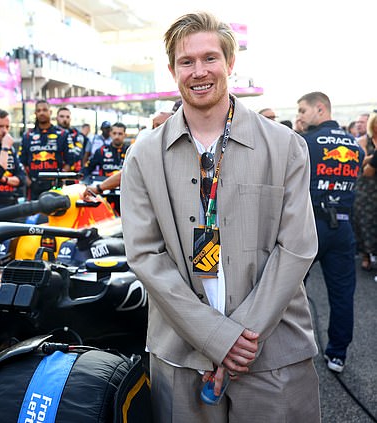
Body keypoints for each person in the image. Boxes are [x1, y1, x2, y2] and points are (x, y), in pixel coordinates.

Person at [121, 12, 320, 422]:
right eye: (186, 62)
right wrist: (215, 337)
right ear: (173, 70)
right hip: (180, 356)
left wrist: (240, 336)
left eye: (210, 58)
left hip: (272, 352)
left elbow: (297, 247)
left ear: (230, 64)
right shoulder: (143, 155)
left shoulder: (285, 146)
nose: (199, 72)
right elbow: (145, 255)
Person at [297, 91, 362, 374]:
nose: (299, 116)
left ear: (320, 109)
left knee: (291, 290)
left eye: (303, 110)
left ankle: (293, 349)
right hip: (343, 227)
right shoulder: (356, 148)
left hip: (310, 226)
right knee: (342, 294)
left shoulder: (306, 143)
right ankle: (337, 354)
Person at [19, 99, 72, 200]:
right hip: (34, 186)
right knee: (33, 215)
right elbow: (21, 162)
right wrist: (28, 181)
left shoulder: (62, 134)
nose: (41, 113)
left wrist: (60, 179)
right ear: (35, 113)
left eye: (44, 110)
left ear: (50, 112)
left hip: (55, 186)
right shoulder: (27, 136)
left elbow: (70, 161)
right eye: (38, 111)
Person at [351, 112, 377, 271]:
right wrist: (374, 156)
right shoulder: (362, 141)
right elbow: (360, 162)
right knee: (365, 222)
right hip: (366, 188)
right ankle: (366, 255)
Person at [56, 107, 85, 171]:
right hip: (54, 171)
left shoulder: (77, 134)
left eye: (67, 117)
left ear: (70, 119)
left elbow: (77, 153)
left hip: (73, 173)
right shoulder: (51, 133)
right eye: (62, 116)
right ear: (56, 118)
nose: (65, 119)